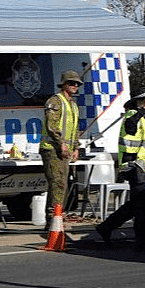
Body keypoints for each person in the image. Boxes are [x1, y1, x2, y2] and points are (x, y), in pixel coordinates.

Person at [95, 89, 145, 251]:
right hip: (135, 167)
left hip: (139, 167)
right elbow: (130, 127)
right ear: (140, 102)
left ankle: (106, 227)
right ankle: (142, 243)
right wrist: (141, 111)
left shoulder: (141, 117)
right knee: (143, 207)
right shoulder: (132, 115)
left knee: (136, 205)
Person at [40, 69, 83, 224]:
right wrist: (61, 143)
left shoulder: (73, 105)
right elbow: (51, 125)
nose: (74, 86)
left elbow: (75, 128)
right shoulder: (56, 101)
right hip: (52, 149)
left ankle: (58, 216)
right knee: (57, 183)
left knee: (63, 185)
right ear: (63, 84)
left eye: (76, 84)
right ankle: (52, 218)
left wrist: (76, 147)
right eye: (71, 83)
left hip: (64, 151)